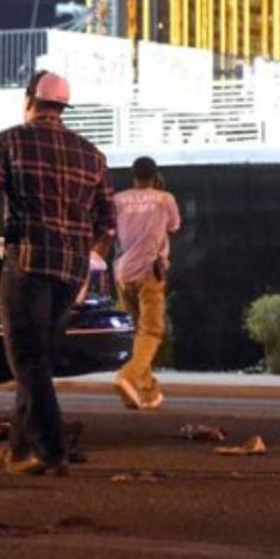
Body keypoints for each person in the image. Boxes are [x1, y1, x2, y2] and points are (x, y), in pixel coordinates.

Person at [0, 71, 114, 476]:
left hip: (28, 260)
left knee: (25, 358)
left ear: (29, 99)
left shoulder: (9, 140)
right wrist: (88, 262)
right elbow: (107, 223)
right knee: (39, 360)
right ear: (63, 107)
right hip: (71, 270)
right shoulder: (91, 153)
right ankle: (19, 451)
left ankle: (52, 450)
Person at [111, 156, 181, 410]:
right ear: (155, 175)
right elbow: (174, 226)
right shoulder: (165, 199)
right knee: (152, 331)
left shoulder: (118, 200)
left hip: (122, 273)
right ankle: (127, 376)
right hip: (149, 272)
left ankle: (148, 392)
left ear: (133, 175)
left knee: (139, 333)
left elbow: (111, 232)